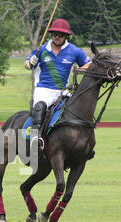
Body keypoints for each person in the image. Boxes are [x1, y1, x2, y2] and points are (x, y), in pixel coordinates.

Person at [25, 19, 91, 149]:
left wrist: (79, 70)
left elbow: (88, 64)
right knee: (40, 106)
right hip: (44, 89)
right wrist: (30, 62)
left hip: (63, 90)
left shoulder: (74, 51)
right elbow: (27, 64)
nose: (57, 37)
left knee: (78, 112)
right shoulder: (42, 49)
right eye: (54, 34)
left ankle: (85, 143)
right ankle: (35, 138)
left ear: (66, 36)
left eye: (60, 35)